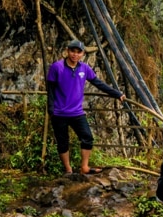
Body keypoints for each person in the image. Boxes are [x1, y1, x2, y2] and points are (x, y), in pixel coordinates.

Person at [46, 39, 125, 174]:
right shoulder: (57, 67)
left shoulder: (84, 68)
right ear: (67, 51)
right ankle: (68, 170)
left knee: (87, 137)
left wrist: (116, 94)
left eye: (78, 52)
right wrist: (51, 109)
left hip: (77, 112)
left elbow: (99, 83)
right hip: (59, 113)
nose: (75, 55)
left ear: (82, 54)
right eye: (72, 51)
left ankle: (84, 167)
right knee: (63, 142)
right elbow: (51, 89)